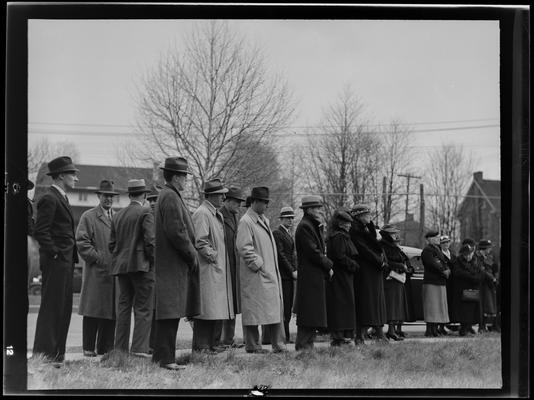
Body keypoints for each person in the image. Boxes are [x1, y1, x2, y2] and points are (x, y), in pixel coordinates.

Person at [152, 157, 201, 370]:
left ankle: (162, 358)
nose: (186, 181)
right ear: (174, 177)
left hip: (170, 264)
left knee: (169, 314)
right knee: (169, 314)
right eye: (183, 177)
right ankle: (166, 360)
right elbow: (177, 232)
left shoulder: (169, 195)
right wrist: (192, 255)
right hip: (172, 264)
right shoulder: (170, 196)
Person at [32, 156, 79, 366]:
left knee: (63, 308)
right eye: (72, 174)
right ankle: (45, 355)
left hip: (65, 263)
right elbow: (41, 231)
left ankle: (57, 355)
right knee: (52, 308)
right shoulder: (50, 198)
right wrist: (55, 254)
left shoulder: (62, 198)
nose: (76, 178)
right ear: (61, 176)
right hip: (56, 263)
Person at [236, 186, 287, 354]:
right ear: (255, 202)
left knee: (273, 310)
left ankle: (278, 345)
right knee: (253, 311)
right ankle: (253, 345)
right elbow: (244, 248)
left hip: (267, 273)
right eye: (264, 202)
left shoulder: (263, 219)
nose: (266, 206)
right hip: (256, 275)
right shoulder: (246, 221)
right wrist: (260, 265)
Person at [109, 179, 155, 357]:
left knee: (123, 308)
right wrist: (153, 262)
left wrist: (121, 257)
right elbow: (151, 242)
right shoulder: (146, 212)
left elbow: (111, 245)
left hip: (122, 268)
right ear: (144, 195)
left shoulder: (118, 215)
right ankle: (139, 349)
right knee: (143, 308)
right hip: (142, 267)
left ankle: (120, 349)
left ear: (130, 195)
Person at [76, 180, 119, 357]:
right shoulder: (89, 216)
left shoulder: (117, 217)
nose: (108, 199)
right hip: (96, 272)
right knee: (93, 310)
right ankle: (88, 348)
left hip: (114, 274)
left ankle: (105, 349)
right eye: (105, 195)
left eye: (111, 196)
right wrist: (99, 258)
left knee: (110, 311)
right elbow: (82, 242)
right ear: (99, 196)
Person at [191, 179, 235, 354]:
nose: (224, 197)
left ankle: (212, 344)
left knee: (215, 309)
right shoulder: (203, 213)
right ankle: (202, 346)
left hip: (217, 270)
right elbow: (200, 241)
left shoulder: (215, 213)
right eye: (221, 194)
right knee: (207, 309)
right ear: (211, 196)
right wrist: (214, 257)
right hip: (209, 269)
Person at [294, 195, 334, 350]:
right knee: (308, 313)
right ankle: (303, 347)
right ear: (309, 209)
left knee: (312, 314)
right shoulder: (305, 226)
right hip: (310, 277)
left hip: (314, 276)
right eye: (316, 208)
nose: (319, 211)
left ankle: (307, 346)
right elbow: (313, 252)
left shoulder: (311, 225)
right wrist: (328, 265)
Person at [349, 204, 388, 344]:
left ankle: (378, 333)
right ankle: (360, 335)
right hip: (365, 270)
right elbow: (363, 249)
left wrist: (372, 229)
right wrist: (378, 260)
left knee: (376, 303)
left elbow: (376, 245)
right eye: (367, 214)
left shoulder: (367, 228)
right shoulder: (355, 230)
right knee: (365, 303)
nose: (370, 217)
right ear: (359, 215)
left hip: (373, 269)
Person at [216, 187, 246, 349]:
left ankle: (228, 339)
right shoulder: (220, 215)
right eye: (236, 202)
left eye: (240, 203)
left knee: (233, 304)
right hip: (223, 264)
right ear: (227, 201)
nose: (238, 205)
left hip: (234, 265)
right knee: (223, 303)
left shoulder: (235, 217)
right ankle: (221, 339)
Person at [325, 209, 359, 346]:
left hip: (344, 276)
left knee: (344, 305)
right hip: (341, 276)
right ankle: (340, 336)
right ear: (340, 224)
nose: (350, 225)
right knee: (342, 306)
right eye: (347, 223)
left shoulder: (340, 235)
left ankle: (343, 335)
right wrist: (353, 265)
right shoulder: (339, 237)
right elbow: (340, 257)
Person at [379, 225, 409, 341]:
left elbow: (402, 259)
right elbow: (387, 261)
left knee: (396, 306)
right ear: (386, 234)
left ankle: (392, 330)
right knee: (390, 305)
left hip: (397, 278)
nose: (395, 235)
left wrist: (404, 266)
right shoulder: (383, 246)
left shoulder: (394, 246)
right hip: (389, 278)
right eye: (392, 233)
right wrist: (401, 266)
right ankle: (385, 331)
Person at [273, 206, 298, 344]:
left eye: (292, 218)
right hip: (283, 276)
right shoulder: (278, 233)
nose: (290, 220)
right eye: (287, 218)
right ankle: (283, 337)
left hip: (289, 276)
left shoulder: (288, 234)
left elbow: (292, 256)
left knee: (288, 308)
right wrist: (292, 270)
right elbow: (281, 255)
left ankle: (286, 336)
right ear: (281, 219)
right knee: (284, 308)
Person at [421, 230, 451, 337]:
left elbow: (443, 262)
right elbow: (433, 263)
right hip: (431, 281)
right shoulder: (427, 250)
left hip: (439, 281)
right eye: (435, 237)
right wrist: (443, 271)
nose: (438, 239)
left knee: (438, 307)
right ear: (429, 239)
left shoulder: (437, 249)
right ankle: (429, 330)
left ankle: (434, 329)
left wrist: (447, 269)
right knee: (431, 306)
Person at [452, 244, 482, 336]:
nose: (468, 256)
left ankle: (469, 326)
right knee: (464, 311)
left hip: (473, 290)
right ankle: (464, 327)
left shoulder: (476, 261)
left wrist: (476, 278)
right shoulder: (458, 261)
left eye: (470, 254)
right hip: (462, 290)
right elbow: (457, 273)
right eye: (466, 255)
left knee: (472, 310)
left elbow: (480, 273)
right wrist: (470, 276)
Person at [146, 184, 161, 354]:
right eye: (149, 199)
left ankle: (155, 343)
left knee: (159, 309)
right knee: (150, 308)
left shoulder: (163, 217)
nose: (151, 203)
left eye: (155, 199)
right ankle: (149, 344)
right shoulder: (146, 216)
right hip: (150, 269)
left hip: (163, 271)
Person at [475, 239, 499, 333]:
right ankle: (481, 326)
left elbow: (492, 268)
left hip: (489, 285)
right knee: (482, 306)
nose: (490, 250)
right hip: (482, 284)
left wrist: (494, 278)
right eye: (488, 248)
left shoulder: (488, 257)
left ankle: (484, 325)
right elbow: (482, 270)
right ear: (484, 249)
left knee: (488, 306)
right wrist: (492, 278)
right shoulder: (478, 257)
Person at [439, 235, 457, 335]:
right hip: (443, 281)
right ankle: (440, 326)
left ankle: (447, 323)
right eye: (443, 243)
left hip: (452, 283)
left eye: (447, 242)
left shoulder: (453, 255)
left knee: (449, 303)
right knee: (442, 304)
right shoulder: (439, 254)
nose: (446, 244)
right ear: (440, 244)